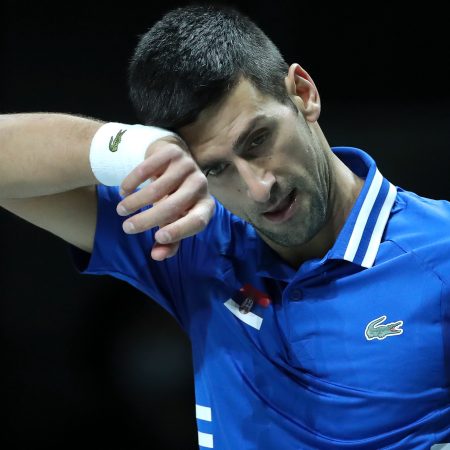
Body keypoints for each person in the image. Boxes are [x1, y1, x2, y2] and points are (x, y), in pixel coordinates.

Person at [0, 4, 449, 449]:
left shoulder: (440, 252)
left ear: (303, 92)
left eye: (258, 139)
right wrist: (130, 149)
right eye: (216, 168)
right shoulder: (195, 238)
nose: (258, 188)